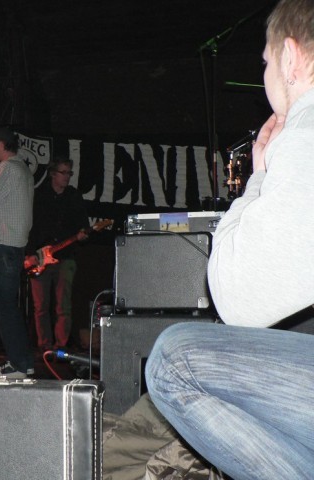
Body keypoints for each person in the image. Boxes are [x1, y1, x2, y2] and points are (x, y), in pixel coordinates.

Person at [145, 1, 314, 477]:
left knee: (172, 362)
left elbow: (238, 299)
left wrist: (258, 177)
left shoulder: (306, 128)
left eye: (265, 61)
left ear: (290, 57)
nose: (265, 75)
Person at [0, 126, 34, 378]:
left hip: (3, 246)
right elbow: (2, 199)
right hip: (14, 246)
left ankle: (19, 365)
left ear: (1, 145)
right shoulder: (21, 169)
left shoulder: (7, 168)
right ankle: (24, 362)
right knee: (8, 307)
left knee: (3, 309)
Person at [24, 158, 89, 352]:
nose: (67, 176)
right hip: (40, 257)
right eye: (63, 172)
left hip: (65, 257)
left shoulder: (74, 197)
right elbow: (29, 227)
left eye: (69, 173)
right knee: (40, 306)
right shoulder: (38, 196)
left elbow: (83, 226)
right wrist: (30, 253)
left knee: (63, 306)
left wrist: (83, 235)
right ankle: (44, 347)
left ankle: (61, 347)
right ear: (53, 173)